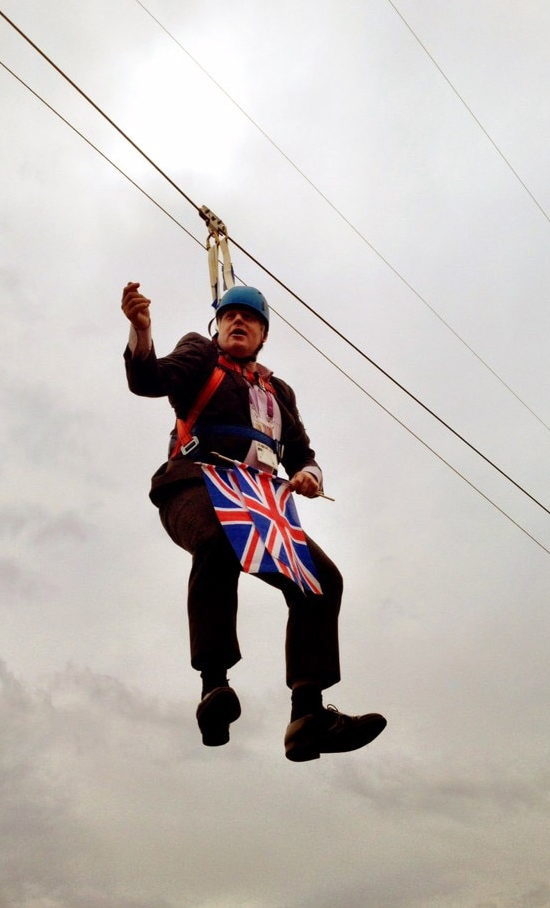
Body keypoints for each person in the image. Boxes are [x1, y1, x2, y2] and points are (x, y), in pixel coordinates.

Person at [121, 280, 386, 761]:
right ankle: (214, 685)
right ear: (217, 325)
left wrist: (307, 476)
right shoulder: (199, 354)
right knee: (219, 541)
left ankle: (308, 715)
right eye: (229, 316)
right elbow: (149, 380)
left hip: (258, 502)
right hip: (196, 485)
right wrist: (141, 331)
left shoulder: (278, 391)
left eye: (250, 318)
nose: (237, 322)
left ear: (263, 334)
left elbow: (304, 455)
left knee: (320, 580)